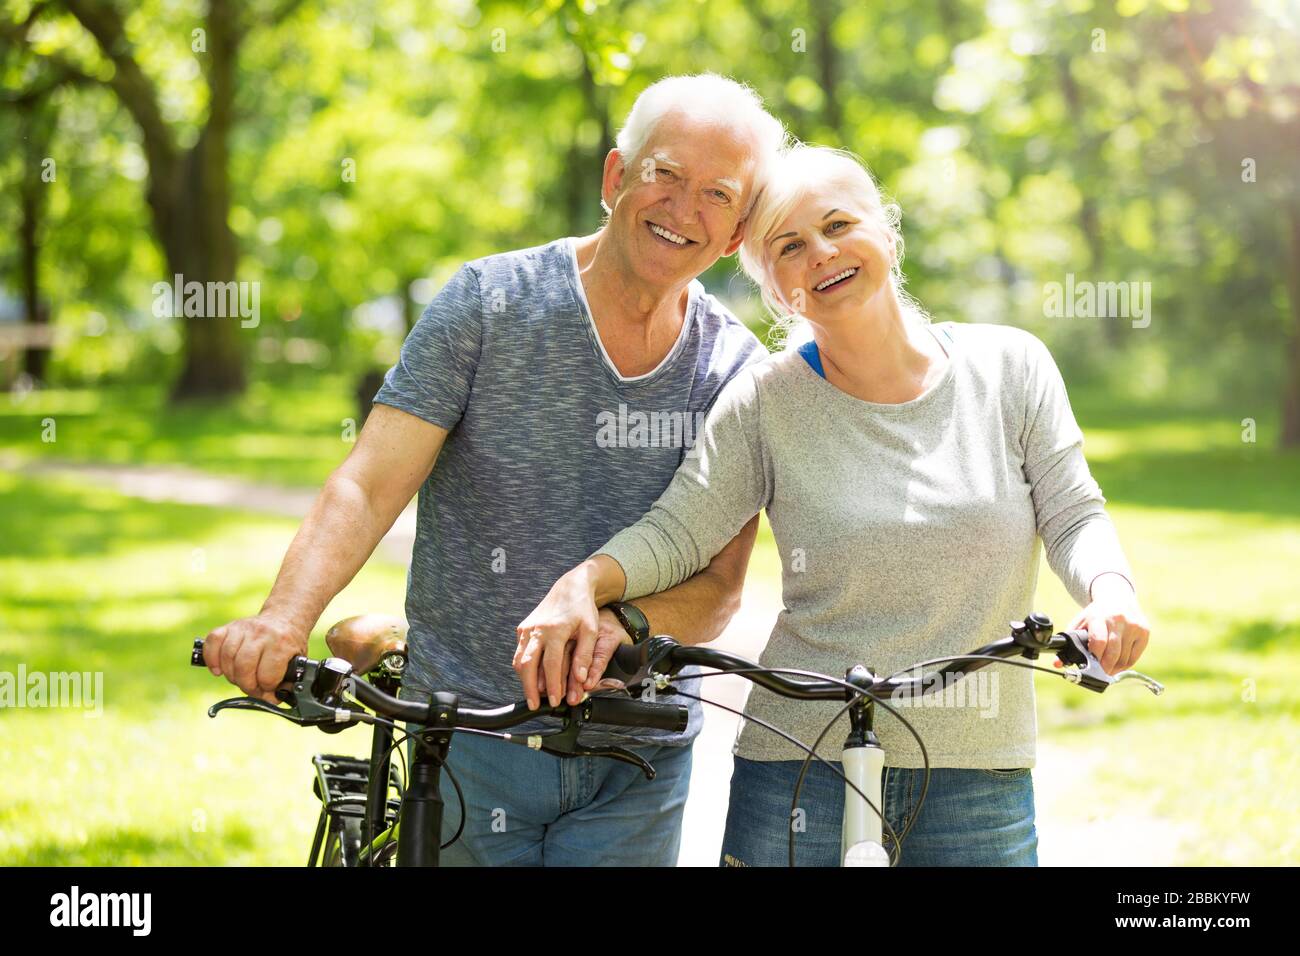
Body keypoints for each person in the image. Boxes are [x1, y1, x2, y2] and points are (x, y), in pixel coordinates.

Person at [202, 74, 787, 866]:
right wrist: (283, 617)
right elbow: (369, 482)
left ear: (735, 234)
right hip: (468, 737)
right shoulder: (489, 302)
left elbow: (720, 589)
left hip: (637, 757)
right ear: (616, 178)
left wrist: (617, 630)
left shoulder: (734, 371)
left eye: (717, 194)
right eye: (665, 174)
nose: (684, 210)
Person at [516, 144, 1152, 866]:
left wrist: (1110, 593)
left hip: (980, 774)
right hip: (798, 765)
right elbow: (679, 530)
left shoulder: (1011, 367)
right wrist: (586, 584)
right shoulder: (764, 401)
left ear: (887, 233)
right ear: (775, 286)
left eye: (839, 225)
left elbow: (1073, 512)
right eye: (789, 246)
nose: (820, 254)